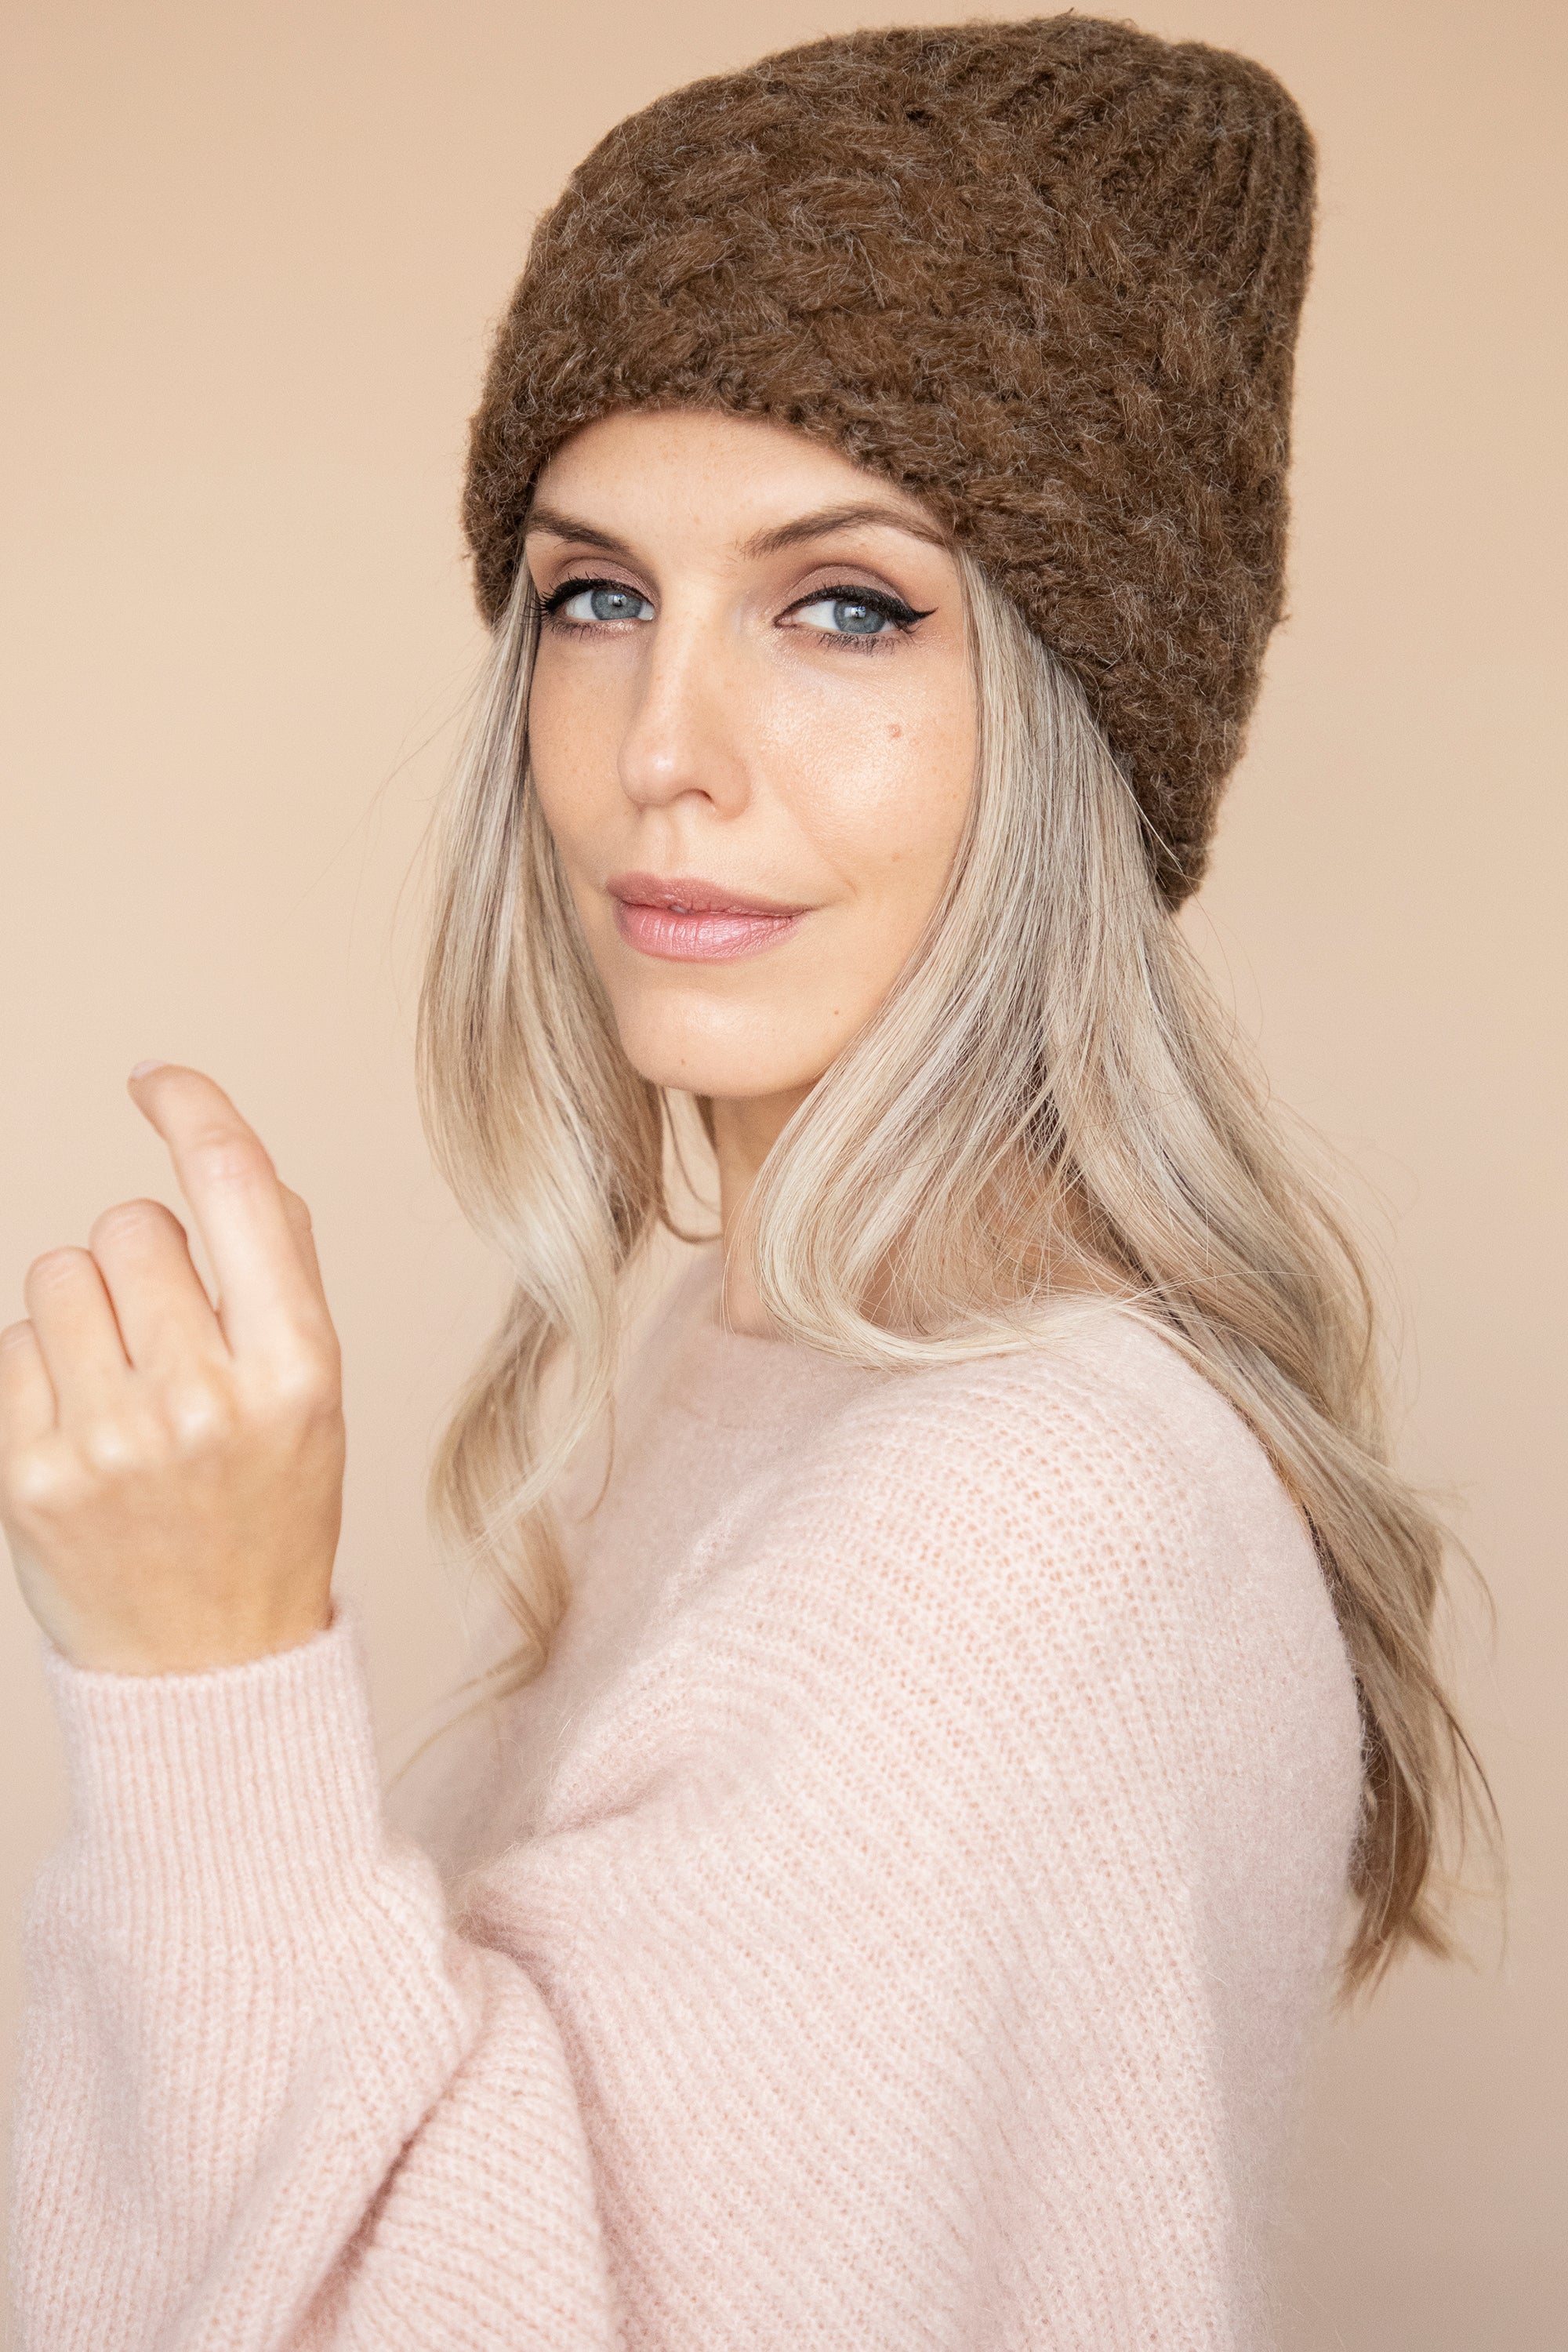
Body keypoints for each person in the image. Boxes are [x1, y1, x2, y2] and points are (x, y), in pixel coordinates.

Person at [2, 17, 1481, 2349]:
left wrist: (209, 1672)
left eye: (848, 606)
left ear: (1087, 723)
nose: (660, 754)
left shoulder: (1024, 1513)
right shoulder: (791, 1348)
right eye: (596, 596)